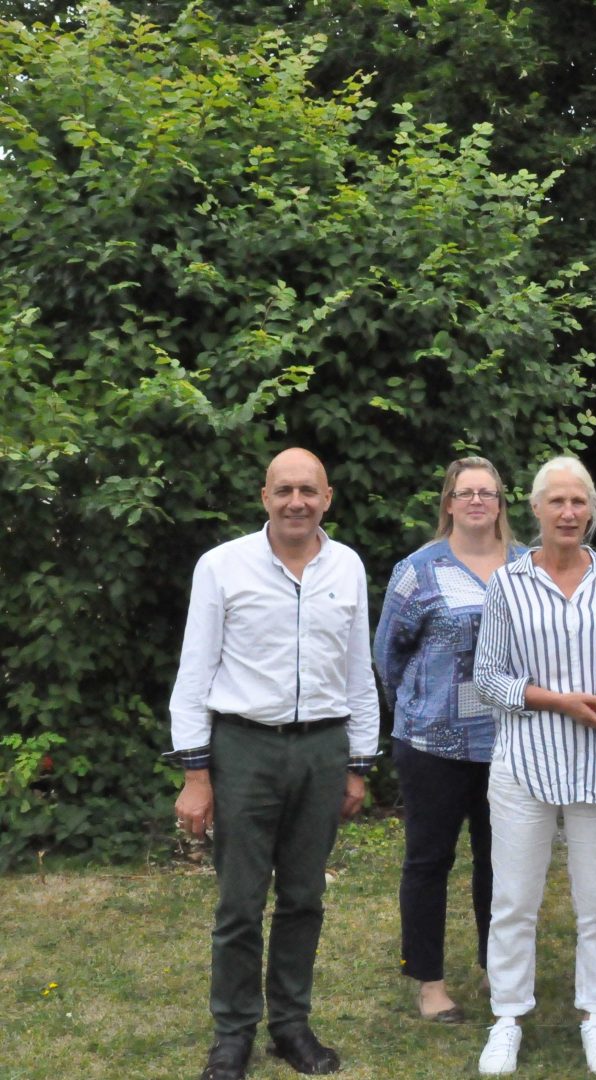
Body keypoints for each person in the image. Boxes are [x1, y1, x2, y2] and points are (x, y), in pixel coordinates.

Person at [170, 448, 380, 1080]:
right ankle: (232, 1033)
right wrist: (195, 775)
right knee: (239, 901)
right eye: (284, 489)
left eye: (308, 491)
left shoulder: (347, 567)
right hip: (245, 748)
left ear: (327, 498)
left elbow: (358, 673)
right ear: (264, 496)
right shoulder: (222, 566)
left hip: (322, 748)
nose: (297, 501)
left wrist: (359, 764)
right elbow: (194, 673)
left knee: (304, 897)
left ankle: (291, 1025)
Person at [471, 456, 596, 1077]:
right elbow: (488, 679)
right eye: (557, 502)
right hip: (525, 761)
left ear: (591, 510)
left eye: (579, 503)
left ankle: (595, 1014)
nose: (569, 513)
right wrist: (562, 701)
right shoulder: (508, 585)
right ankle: (508, 1016)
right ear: (536, 509)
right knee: (514, 899)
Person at [373, 456, 524, 1024]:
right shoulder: (419, 570)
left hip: (510, 739)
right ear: (450, 503)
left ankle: (497, 969)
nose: (478, 501)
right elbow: (388, 655)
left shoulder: (526, 565)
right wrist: (419, 710)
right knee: (429, 861)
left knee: (501, 862)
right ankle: (429, 983)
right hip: (432, 743)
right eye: (467, 492)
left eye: (488, 492)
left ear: (501, 503)